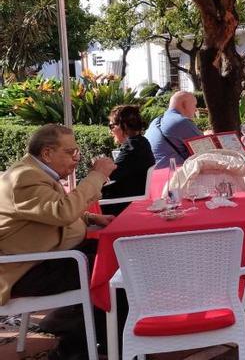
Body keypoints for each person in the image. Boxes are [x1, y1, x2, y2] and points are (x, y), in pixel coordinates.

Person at [0, 125, 117, 359]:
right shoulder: (25, 177)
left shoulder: (35, 172)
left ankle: (89, 333)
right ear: (47, 153)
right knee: (112, 271)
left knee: (115, 255)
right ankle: (79, 345)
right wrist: (98, 175)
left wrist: (92, 217)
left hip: (51, 256)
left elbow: (46, 211)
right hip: (28, 269)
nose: (75, 159)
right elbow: (61, 212)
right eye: (70, 152)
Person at [102, 105, 155, 216]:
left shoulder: (131, 147)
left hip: (123, 205)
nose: (110, 131)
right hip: (130, 197)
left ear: (124, 126)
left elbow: (108, 176)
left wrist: (97, 168)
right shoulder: (141, 142)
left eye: (111, 126)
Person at [144, 91, 202, 168]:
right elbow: (205, 149)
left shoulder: (155, 121)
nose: (195, 110)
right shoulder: (182, 121)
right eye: (194, 105)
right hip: (173, 174)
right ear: (184, 104)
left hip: (152, 174)